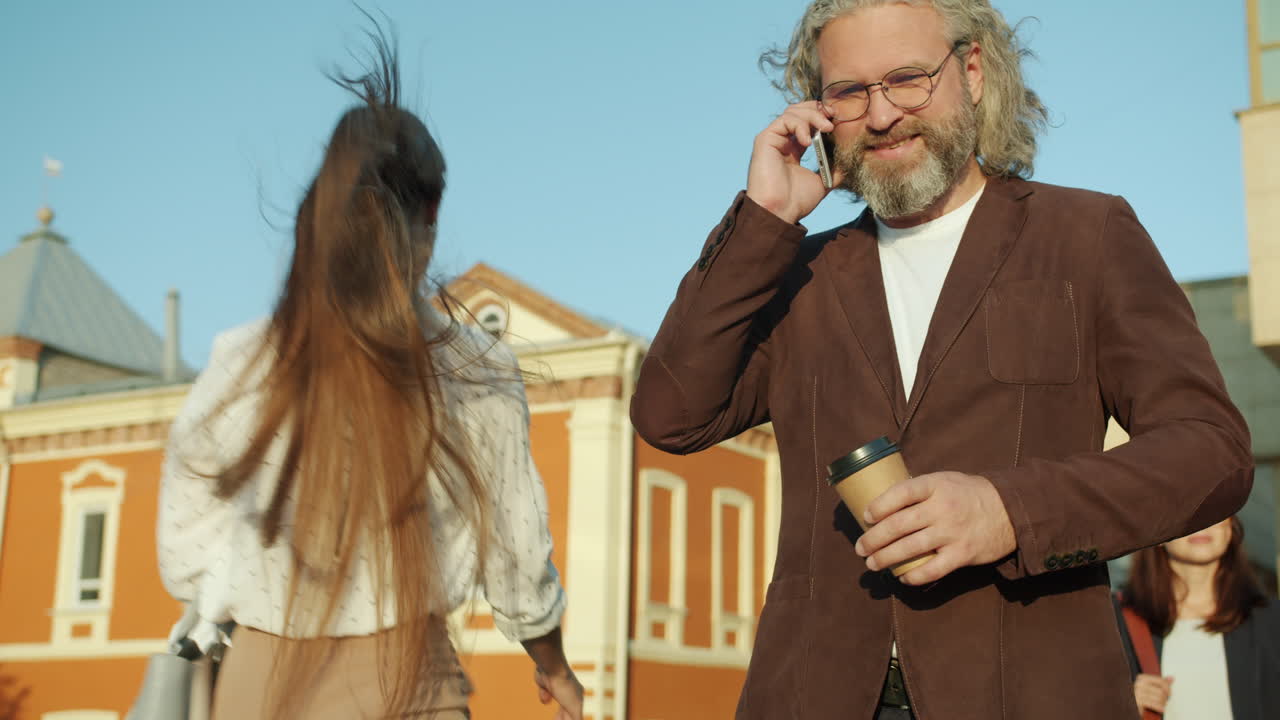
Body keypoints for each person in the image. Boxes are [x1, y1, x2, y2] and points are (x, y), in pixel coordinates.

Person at [629, 1, 1254, 719]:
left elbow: (1213, 454)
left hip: (1033, 694)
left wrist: (1008, 511)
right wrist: (763, 219)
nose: (883, 113)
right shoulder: (795, 272)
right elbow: (670, 416)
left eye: (907, 78)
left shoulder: (1088, 235)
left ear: (974, 71)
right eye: (850, 92)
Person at [156, 24, 583, 720]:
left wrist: (256, 596)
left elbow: (184, 549)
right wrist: (555, 670)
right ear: (432, 211)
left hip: (257, 680)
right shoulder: (473, 367)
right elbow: (518, 559)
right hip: (405, 677)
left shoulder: (242, 361)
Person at [1116, 517, 1280, 720]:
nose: (1204, 522)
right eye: (1190, 510)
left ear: (1231, 528)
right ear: (1159, 533)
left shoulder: (1271, 620)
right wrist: (1120, 708)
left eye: (1217, 511)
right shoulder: (1114, 623)